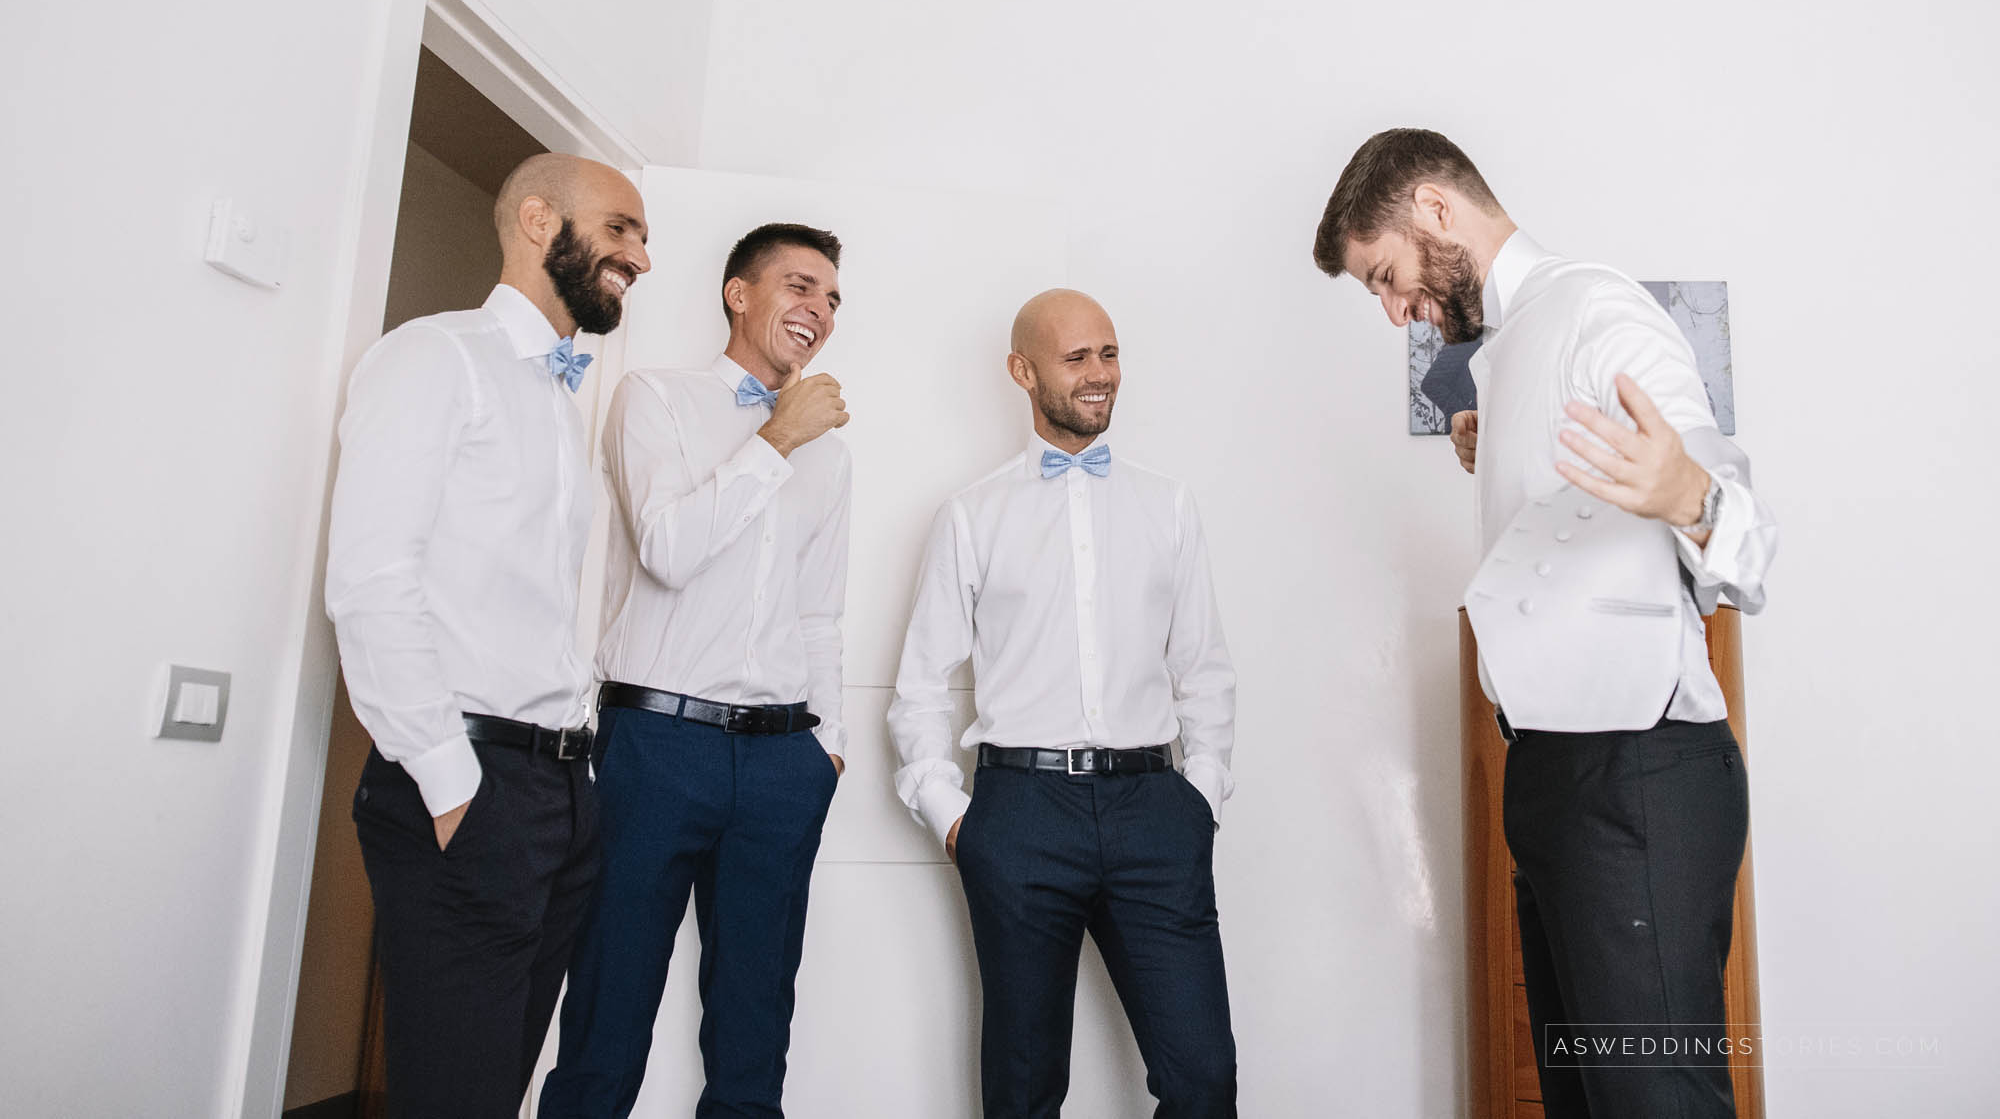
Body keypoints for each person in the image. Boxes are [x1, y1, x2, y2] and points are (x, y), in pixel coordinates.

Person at [1313, 128, 1779, 1118]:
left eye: (1385, 277)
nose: (1394, 308)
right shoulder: (1511, 349)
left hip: (1636, 781)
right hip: (1554, 781)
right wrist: (1502, 446)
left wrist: (1690, 492)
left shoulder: (1591, 307)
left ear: (1436, 210)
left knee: (1656, 1105)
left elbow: (1741, 528)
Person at [326, 153, 651, 1117]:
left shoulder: (557, 398)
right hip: (472, 787)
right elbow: (373, 580)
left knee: (493, 1090)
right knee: (454, 1093)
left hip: (560, 791)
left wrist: (574, 783)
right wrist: (445, 775)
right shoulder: (435, 357)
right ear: (538, 219)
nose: (640, 255)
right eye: (622, 228)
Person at [888, 288, 1239, 1119]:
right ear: (1023, 369)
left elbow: (1204, 667)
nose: (1100, 375)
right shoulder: (972, 514)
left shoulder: (1169, 504)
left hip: (1156, 810)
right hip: (1020, 813)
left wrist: (1203, 795)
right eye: (1077, 357)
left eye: (1109, 354)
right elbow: (921, 684)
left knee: (1203, 1080)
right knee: (1023, 1087)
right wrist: (955, 817)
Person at [540, 224, 851, 1119]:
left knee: (755, 1040)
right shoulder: (653, 398)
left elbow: (820, 610)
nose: (819, 310)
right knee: (607, 1016)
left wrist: (821, 749)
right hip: (653, 744)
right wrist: (777, 440)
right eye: (800, 285)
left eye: (832, 298)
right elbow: (670, 549)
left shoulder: (833, 451)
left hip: (781, 761)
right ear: (738, 293)